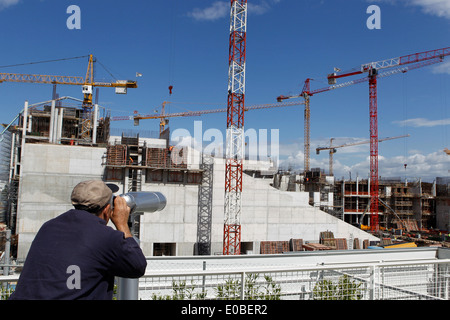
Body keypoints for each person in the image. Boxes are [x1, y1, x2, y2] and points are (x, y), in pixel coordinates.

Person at [9, 180, 147, 300]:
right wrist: (122, 224)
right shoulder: (106, 237)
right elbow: (137, 266)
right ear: (107, 210)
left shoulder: (49, 227)